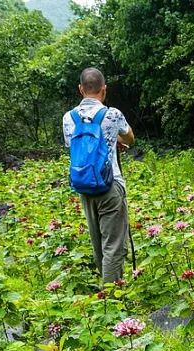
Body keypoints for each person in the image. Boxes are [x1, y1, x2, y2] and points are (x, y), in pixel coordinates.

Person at [62, 68, 135, 285]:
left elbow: (74, 147)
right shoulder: (112, 114)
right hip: (110, 185)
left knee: (98, 243)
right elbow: (130, 138)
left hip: (84, 186)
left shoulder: (69, 118)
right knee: (113, 245)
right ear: (104, 90)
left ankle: (106, 291)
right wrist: (117, 143)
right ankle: (112, 299)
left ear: (80, 89)